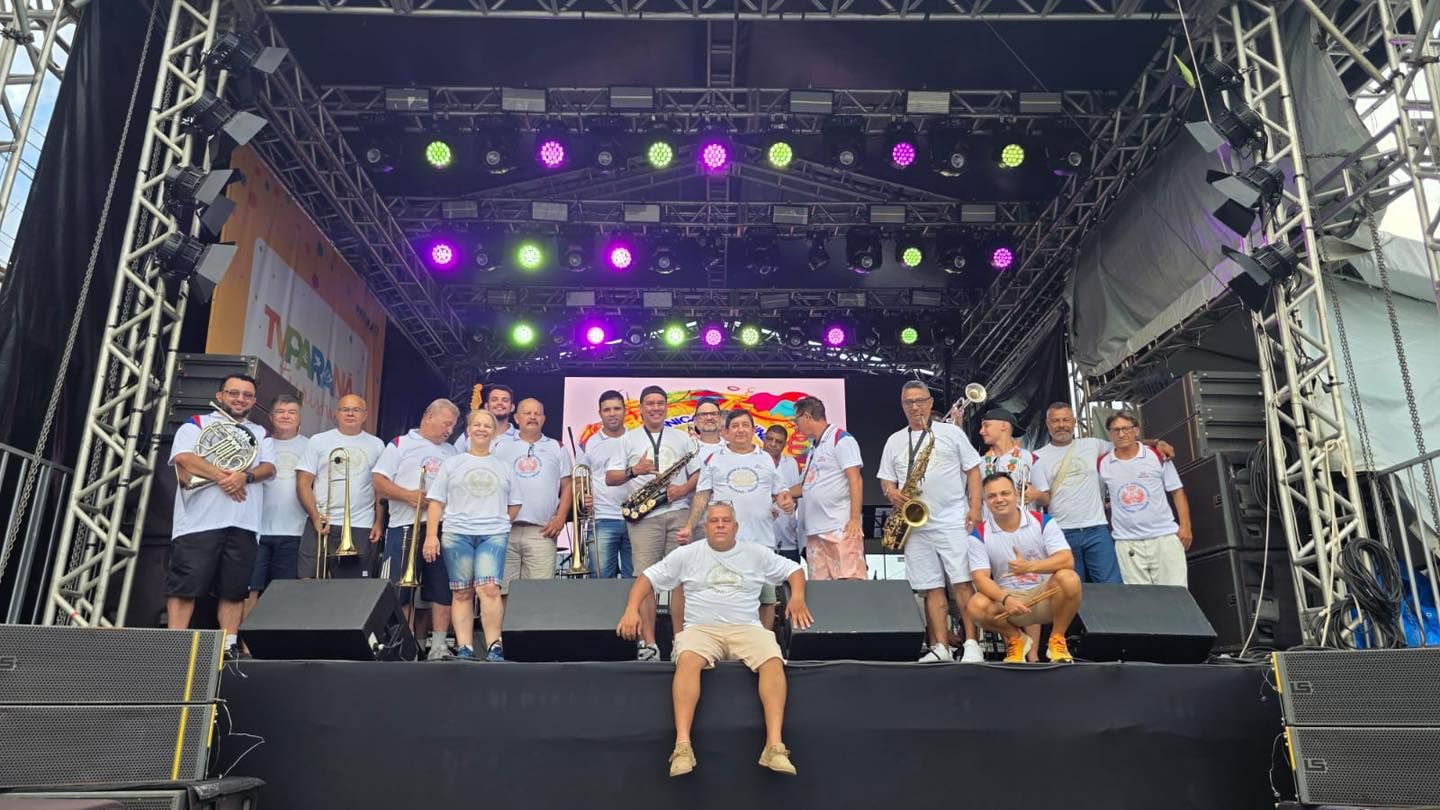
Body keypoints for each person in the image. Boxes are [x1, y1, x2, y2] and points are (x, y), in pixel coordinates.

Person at [616, 501, 813, 778]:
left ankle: (774, 746)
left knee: (772, 658)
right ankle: (682, 747)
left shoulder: (756, 553)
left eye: (725, 521)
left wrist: (798, 597)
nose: (720, 525)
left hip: (746, 628)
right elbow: (647, 578)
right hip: (701, 630)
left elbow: (794, 570)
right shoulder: (687, 554)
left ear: (736, 527)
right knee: (687, 659)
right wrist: (631, 609)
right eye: (714, 521)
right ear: (705, 527)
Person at [167, 374, 275, 657]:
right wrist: (224, 477)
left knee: (234, 590)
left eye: (247, 395)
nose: (240, 399)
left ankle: (228, 647)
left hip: (244, 523)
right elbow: (184, 458)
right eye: (233, 393)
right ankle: (174, 645)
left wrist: (245, 477)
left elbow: (269, 468)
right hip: (197, 523)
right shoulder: (196, 423)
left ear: (254, 401)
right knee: (185, 587)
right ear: (220, 396)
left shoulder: (260, 433)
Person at [877, 381, 985, 663]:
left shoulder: (951, 433)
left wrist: (975, 508)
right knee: (930, 587)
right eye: (909, 402)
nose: (915, 407)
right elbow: (886, 479)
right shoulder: (894, 440)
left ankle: (972, 643)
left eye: (920, 401)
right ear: (902, 406)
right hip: (916, 525)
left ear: (930, 402)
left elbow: (974, 471)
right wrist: (891, 491)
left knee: (962, 583)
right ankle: (940, 647)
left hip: (953, 519)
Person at [605, 385, 700, 660]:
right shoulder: (628, 439)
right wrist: (636, 470)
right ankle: (650, 644)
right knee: (645, 578)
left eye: (660, 403)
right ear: (641, 408)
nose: (656, 408)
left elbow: (698, 475)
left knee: (682, 579)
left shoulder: (682, 438)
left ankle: (681, 642)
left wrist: (682, 490)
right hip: (645, 517)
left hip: (679, 511)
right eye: (650, 403)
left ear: (666, 406)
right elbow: (610, 478)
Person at [1034, 402, 1175, 584]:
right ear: (1047, 424)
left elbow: (1126, 443)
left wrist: (1157, 443)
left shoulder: (1093, 444)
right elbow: (1041, 499)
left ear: (1074, 421)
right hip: (1061, 531)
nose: (1061, 425)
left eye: (1066, 420)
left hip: (1097, 529)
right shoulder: (1037, 456)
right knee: (1072, 588)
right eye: (1055, 421)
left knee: (1112, 586)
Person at [679, 410, 796, 629]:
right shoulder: (715, 459)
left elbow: (780, 492)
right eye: (735, 426)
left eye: (745, 425)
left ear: (753, 430)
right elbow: (702, 495)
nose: (740, 430)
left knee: (765, 599)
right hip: (726, 543)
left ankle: (763, 641)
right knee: (727, 597)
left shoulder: (766, 459)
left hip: (762, 541)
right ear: (726, 432)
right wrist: (689, 526)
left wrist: (786, 501)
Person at [425, 409, 521, 661]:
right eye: (476, 425)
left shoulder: (504, 467)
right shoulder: (452, 463)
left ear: (494, 433)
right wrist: (431, 536)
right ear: (468, 430)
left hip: (493, 535)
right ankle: (465, 647)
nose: (481, 429)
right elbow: (436, 501)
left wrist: (500, 522)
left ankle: (494, 646)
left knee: (489, 588)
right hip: (457, 533)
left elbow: (515, 503)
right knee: (462, 592)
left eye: (487, 425)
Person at [373, 398, 459, 660]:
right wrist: (407, 495)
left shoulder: (452, 452)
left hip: (442, 527)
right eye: (446, 424)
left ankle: (438, 646)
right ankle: (403, 642)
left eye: (453, 426)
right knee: (401, 589)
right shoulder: (400, 443)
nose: (449, 430)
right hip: (404, 525)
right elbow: (379, 481)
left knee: (442, 587)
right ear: (428, 416)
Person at [964, 473, 1083, 664]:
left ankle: (1057, 639)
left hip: (1045, 596)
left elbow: (1067, 560)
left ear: (1016, 494)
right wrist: (1005, 598)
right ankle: (1016, 638)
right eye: (992, 496)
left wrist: (1030, 566)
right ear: (985, 501)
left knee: (1069, 578)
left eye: (1005, 493)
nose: (999, 499)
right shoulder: (978, 535)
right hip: (1010, 600)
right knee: (975, 605)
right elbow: (980, 579)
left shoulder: (1043, 521)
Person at [1097, 411, 1193, 586]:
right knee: (1140, 600)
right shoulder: (1102, 463)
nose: (1121, 434)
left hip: (1164, 537)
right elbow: (1100, 498)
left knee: (1176, 596)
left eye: (1126, 429)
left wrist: (1185, 527)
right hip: (1127, 542)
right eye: (1116, 430)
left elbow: (1177, 492)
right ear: (1109, 434)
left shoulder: (1157, 455)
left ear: (1136, 430)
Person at [295, 394, 385, 579]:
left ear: (365, 415)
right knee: (308, 582)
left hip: (360, 524)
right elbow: (303, 482)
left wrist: (378, 522)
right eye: (345, 409)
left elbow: (380, 489)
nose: (350, 414)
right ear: (336, 413)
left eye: (356, 410)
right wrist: (315, 516)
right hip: (321, 521)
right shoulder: (318, 440)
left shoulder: (377, 445)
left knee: (351, 587)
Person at [495, 398, 571, 588]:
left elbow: (568, 485)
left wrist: (561, 517)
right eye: (527, 413)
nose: (532, 417)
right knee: (503, 590)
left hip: (542, 532)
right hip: (505, 531)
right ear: (516, 418)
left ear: (544, 419)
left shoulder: (557, 447)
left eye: (537, 413)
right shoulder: (499, 446)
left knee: (539, 593)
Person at [788, 396, 865, 580]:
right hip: (815, 530)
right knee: (820, 588)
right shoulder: (813, 447)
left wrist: (855, 519)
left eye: (796, 420)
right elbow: (807, 487)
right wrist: (779, 494)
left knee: (849, 581)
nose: (796, 426)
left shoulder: (841, 439)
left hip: (839, 526)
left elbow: (855, 479)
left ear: (807, 416)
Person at [244, 394, 305, 621]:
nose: (286, 416)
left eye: (292, 412)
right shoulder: (259, 442)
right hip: (255, 529)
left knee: (284, 593)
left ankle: (275, 639)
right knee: (249, 590)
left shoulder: (311, 446)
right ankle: (244, 640)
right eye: (280, 411)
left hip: (295, 531)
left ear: (299, 418)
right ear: (270, 416)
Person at [577, 389, 632, 578]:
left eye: (617, 408)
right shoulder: (588, 443)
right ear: (600, 413)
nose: (612, 413)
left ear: (625, 410)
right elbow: (580, 478)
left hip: (637, 519)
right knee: (600, 582)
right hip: (602, 518)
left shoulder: (637, 438)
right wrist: (583, 496)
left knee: (636, 582)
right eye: (607, 410)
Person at [978, 408, 1050, 511]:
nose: (981, 431)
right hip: (990, 520)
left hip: (1022, 519)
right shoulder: (980, 462)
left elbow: (1046, 499)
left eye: (986, 425)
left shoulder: (1029, 458)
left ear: (1004, 426)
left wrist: (1036, 495)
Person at [762, 425, 803, 564]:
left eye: (778, 441)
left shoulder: (791, 463)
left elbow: (800, 492)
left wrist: (784, 496)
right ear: (764, 439)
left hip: (787, 539)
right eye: (770, 439)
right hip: (759, 539)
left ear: (785, 444)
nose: (773, 444)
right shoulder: (752, 461)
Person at [454, 384, 519, 452]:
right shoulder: (469, 434)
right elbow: (454, 457)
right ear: (486, 406)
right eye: (494, 400)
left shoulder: (520, 437)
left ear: (512, 407)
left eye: (505, 400)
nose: (499, 403)